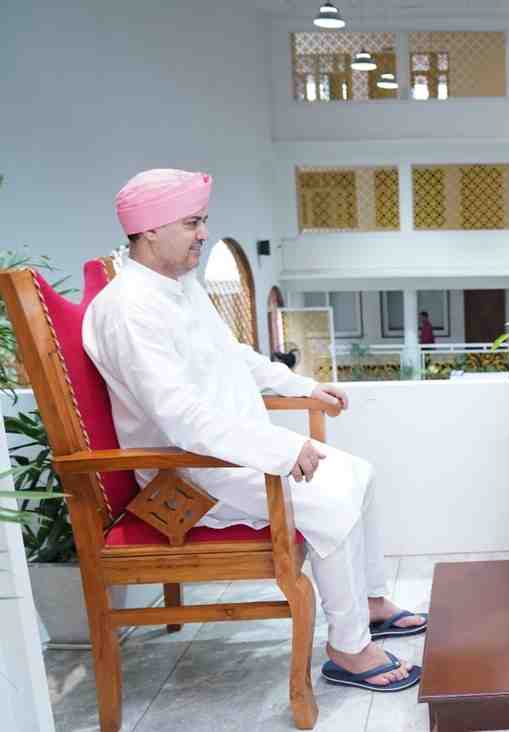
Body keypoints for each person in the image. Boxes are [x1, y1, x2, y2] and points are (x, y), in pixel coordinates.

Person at [84, 169, 426, 692]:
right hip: (186, 477)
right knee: (331, 499)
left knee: (360, 473)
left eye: (202, 221)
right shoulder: (129, 310)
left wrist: (303, 386)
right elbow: (182, 418)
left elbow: (234, 356)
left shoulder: (180, 287)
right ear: (150, 230)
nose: (203, 234)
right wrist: (280, 448)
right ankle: (349, 648)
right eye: (192, 223)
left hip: (229, 456)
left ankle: (371, 603)